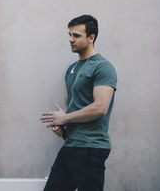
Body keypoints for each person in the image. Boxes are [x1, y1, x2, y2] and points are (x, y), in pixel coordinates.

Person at [41, 15, 117, 191]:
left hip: (91, 148)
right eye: (69, 34)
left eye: (76, 35)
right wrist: (63, 129)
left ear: (91, 37)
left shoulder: (102, 67)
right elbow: (75, 108)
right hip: (71, 145)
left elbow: (100, 108)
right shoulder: (71, 69)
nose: (71, 39)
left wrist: (65, 118)